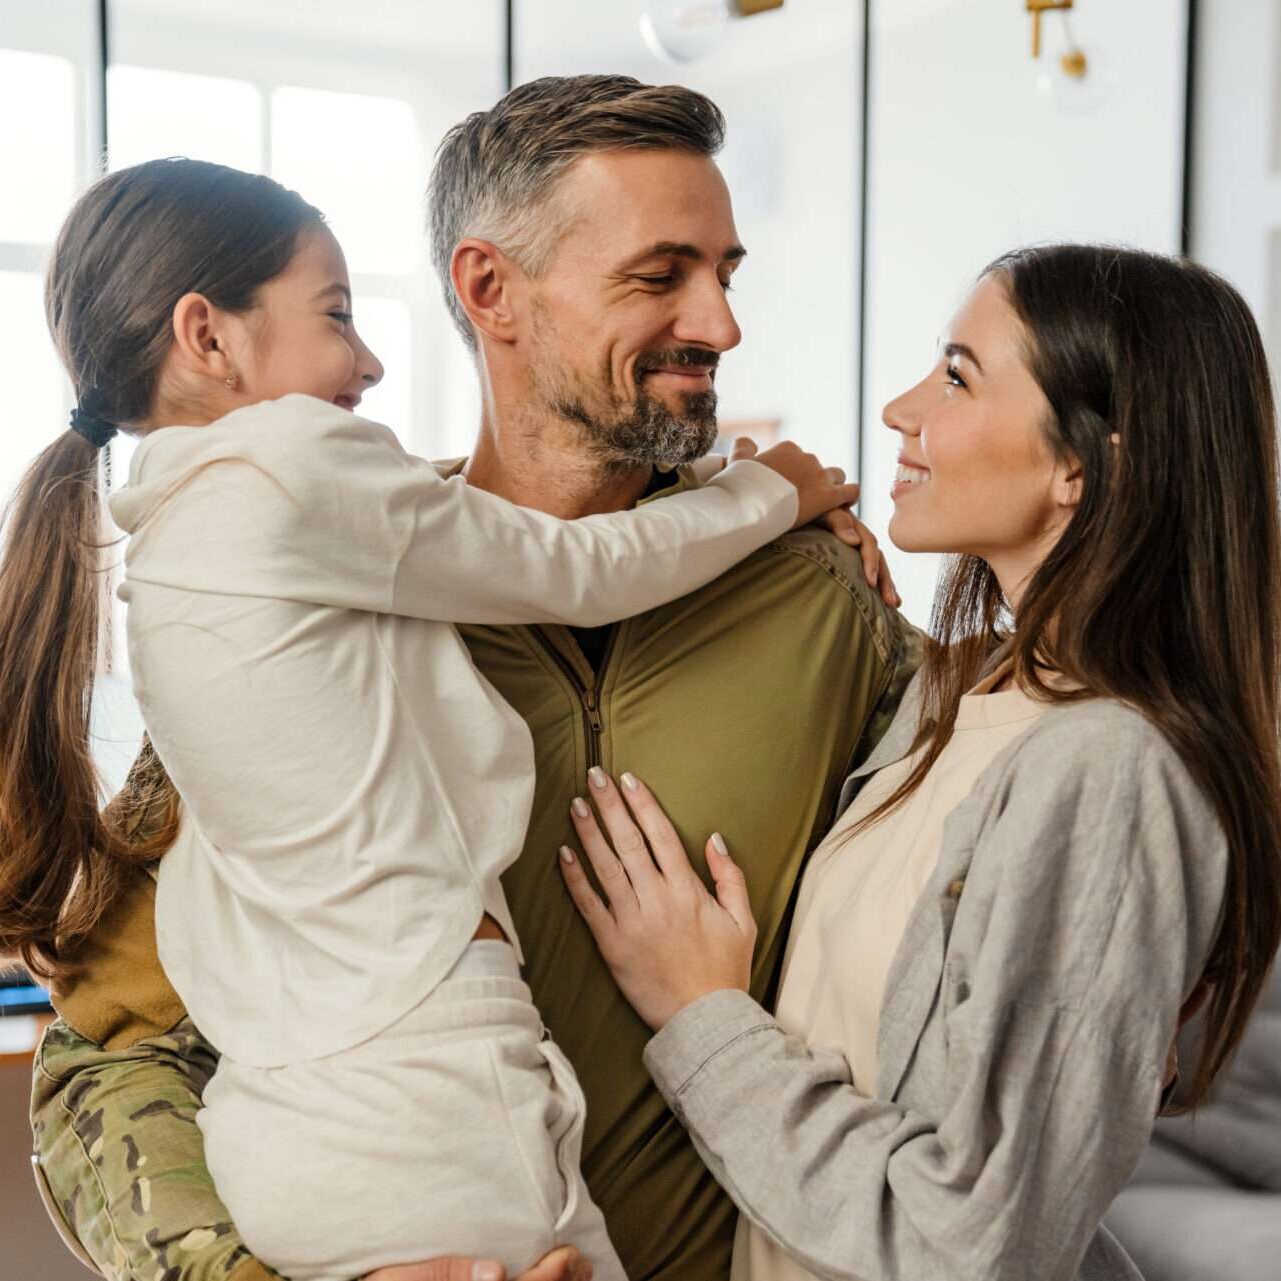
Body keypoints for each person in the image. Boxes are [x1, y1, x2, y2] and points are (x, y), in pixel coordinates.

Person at [26, 77, 920, 1281]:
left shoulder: (825, 606)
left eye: (727, 273)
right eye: (659, 277)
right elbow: (107, 1054)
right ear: (489, 289)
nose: (720, 326)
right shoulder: (306, 615)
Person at [559, 245, 1281, 1281]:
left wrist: (700, 1015)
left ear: (1081, 465)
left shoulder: (1110, 773)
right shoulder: (960, 700)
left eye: (955, 376)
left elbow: (976, 1240)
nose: (902, 411)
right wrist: (766, 533)